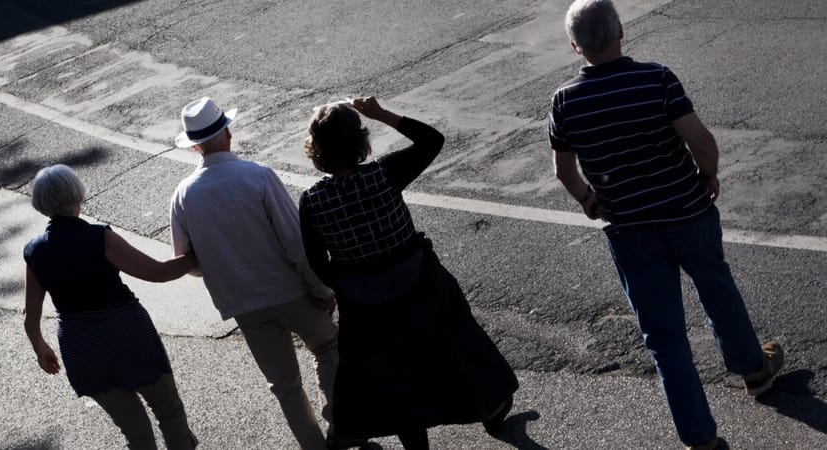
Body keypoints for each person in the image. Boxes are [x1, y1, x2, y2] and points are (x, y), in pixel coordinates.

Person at [549, 1, 785, 449]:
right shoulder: (656, 78)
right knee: (717, 289)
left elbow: (563, 169)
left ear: (575, 46)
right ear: (621, 30)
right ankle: (754, 369)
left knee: (664, 336)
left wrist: (587, 199)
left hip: (630, 228)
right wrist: (708, 174)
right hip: (687, 211)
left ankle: (700, 436)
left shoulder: (565, 101)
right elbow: (701, 141)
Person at [299, 96, 519, 449]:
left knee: (397, 379)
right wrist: (381, 113)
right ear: (359, 141)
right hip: (421, 285)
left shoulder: (312, 201)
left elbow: (317, 260)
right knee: (459, 345)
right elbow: (433, 140)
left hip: (365, 305)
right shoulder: (383, 174)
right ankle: (492, 409)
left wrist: (347, 283)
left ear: (317, 148)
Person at [168, 97, 344, 450]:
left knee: (285, 386)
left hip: (244, 304)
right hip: (291, 290)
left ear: (195, 146)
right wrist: (321, 288)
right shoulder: (258, 175)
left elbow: (187, 261)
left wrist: (222, 265)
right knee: (327, 349)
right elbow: (295, 241)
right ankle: (342, 428)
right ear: (228, 133)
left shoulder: (183, 195)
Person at [22, 164, 199, 450]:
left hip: (82, 349)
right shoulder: (98, 237)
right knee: (169, 412)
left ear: (41, 203)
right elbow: (157, 272)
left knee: (136, 433)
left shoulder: (34, 251)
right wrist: (198, 255)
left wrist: (40, 346)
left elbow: (31, 317)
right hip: (128, 334)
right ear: (78, 194)